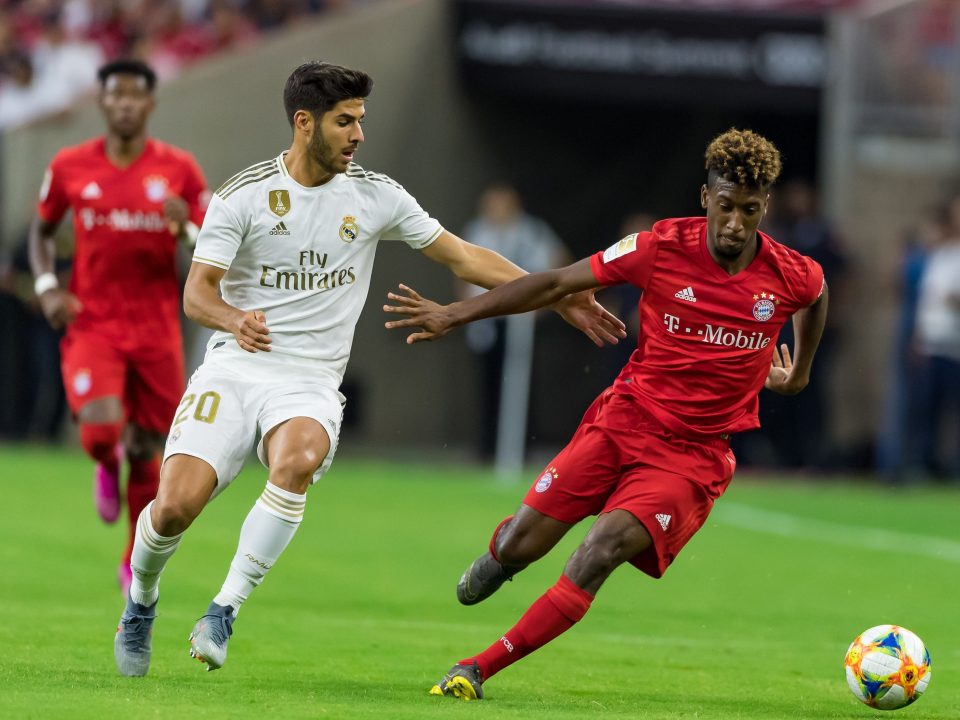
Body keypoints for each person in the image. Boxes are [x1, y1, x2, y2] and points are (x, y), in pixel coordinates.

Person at [112, 60, 625, 678]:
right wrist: (231, 320)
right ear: (305, 123)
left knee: (296, 460)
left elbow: (463, 256)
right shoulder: (243, 196)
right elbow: (198, 294)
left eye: (361, 120)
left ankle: (224, 609)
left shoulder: (376, 196)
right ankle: (141, 602)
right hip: (236, 368)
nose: (359, 134)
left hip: (310, 379)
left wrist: (560, 295)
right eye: (345, 121)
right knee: (174, 508)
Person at [384, 128, 829, 701]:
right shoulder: (658, 247)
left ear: (764, 206)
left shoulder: (792, 272)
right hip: (623, 422)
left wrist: (800, 371)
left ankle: (478, 667)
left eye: (749, 210)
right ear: (705, 197)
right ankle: (502, 555)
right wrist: (457, 314)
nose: (736, 224)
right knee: (522, 543)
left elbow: (816, 298)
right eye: (726, 206)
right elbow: (554, 282)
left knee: (600, 550)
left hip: (691, 459)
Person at [28, 58, 208, 597]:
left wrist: (186, 229)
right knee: (105, 432)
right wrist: (46, 287)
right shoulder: (69, 166)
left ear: (151, 104)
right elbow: (41, 233)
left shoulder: (179, 169)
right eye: (115, 95)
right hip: (94, 323)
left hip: (156, 329)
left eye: (136, 95)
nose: (125, 103)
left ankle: (132, 557)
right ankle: (102, 465)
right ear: (102, 102)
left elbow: (212, 241)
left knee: (147, 449)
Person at [459, 182, 570, 464]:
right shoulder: (478, 231)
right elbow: (461, 270)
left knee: (521, 383)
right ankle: (487, 449)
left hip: (519, 320)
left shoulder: (530, 232)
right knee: (489, 384)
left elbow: (559, 262)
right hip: (487, 318)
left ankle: (521, 448)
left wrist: (542, 304)